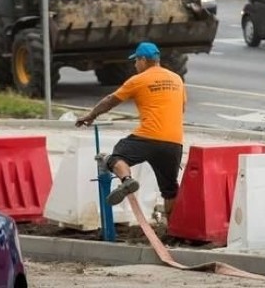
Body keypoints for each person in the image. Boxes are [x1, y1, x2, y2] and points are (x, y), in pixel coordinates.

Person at [75, 42, 186, 217]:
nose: (134, 65)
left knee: (116, 157)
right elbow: (181, 109)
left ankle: (127, 180)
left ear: (143, 60)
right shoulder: (176, 79)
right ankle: (172, 228)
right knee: (170, 189)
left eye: (136, 61)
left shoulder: (138, 80)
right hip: (174, 142)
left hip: (147, 137)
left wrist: (91, 115)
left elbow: (111, 100)